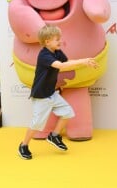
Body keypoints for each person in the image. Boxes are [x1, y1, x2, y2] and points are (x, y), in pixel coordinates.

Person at [18, 25, 98, 160]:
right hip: (41, 96)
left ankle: (54, 136)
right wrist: (83, 61)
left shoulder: (57, 51)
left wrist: (85, 62)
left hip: (52, 93)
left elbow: (67, 62)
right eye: (57, 39)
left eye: (60, 38)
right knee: (37, 123)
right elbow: (61, 66)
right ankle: (23, 145)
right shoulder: (44, 55)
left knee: (68, 113)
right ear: (47, 41)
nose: (60, 41)